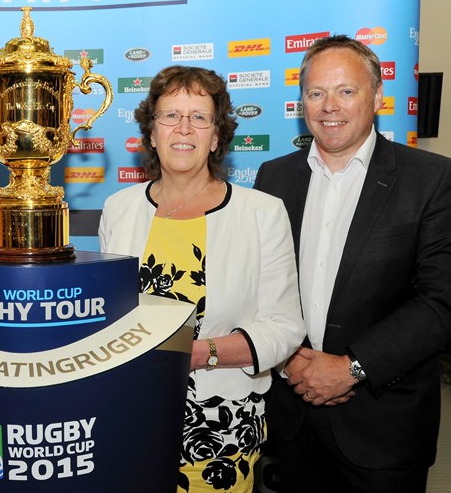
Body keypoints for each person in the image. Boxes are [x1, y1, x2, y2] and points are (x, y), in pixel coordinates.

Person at [254, 35, 451, 492]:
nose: (329, 106)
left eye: (346, 91)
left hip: (384, 428)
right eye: (316, 93)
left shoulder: (434, 179)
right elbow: (260, 281)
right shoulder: (273, 178)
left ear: (376, 97)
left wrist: (352, 367)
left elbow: (443, 299)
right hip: (291, 418)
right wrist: (287, 357)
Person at [98, 65, 305, 492]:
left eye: (199, 117)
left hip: (221, 428)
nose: (184, 128)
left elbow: (284, 328)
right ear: (151, 133)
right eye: (170, 115)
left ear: (216, 137)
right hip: (129, 418)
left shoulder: (262, 213)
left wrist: (193, 354)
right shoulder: (118, 209)